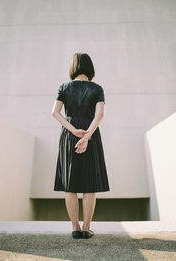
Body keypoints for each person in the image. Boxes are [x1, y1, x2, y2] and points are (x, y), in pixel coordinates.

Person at [51, 52, 110, 239]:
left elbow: (55, 113)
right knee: (89, 184)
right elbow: (99, 115)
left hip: (70, 136)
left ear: (72, 68)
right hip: (89, 135)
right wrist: (87, 136)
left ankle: (75, 228)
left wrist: (73, 130)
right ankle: (86, 228)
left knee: (70, 185)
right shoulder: (97, 88)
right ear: (90, 68)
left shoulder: (64, 87)